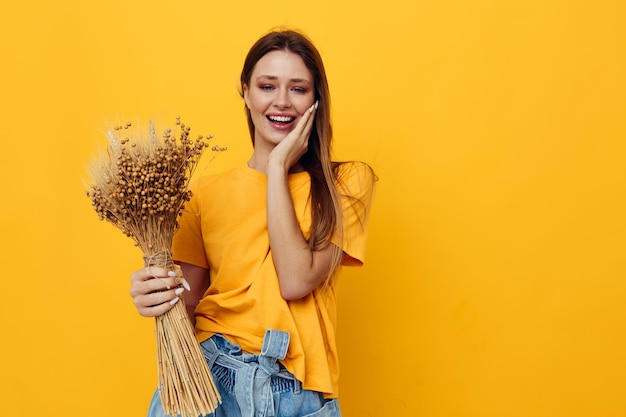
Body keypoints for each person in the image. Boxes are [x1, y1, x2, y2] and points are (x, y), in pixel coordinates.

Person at [130, 28, 376, 417]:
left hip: (295, 391)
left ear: (316, 100)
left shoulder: (345, 183)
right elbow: (188, 305)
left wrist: (277, 166)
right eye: (267, 86)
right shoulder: (204, 194)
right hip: (210, 379)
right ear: (245, 91)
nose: (281, 101)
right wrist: (155, 296)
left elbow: (295, 281)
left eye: (298, 89)